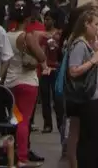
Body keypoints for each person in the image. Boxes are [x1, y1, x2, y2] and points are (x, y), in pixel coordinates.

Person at [63, 6, 98, 168]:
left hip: (92, 95)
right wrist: (91, 61)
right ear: (86, 25)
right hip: (85, 97)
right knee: (90, 137)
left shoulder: (89, 44)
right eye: (95, 24)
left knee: (96, 135)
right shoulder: (79, 44)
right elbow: (73, 71)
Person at [10, 10, 45, 168]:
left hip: (9, 83)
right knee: (24, 120)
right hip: (27, 82)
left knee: (13, 118)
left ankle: (9, 152)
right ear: (27, 19)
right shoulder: (27, 36)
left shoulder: (6, 35)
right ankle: (22, 157)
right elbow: (41, 56)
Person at [36, 12, 59, 141]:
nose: (46, 21)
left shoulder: (58, 34)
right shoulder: (42, 35)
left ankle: (60, 123)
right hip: (44, 68)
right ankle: (47, 124)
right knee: (45, 97)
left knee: (57, 97)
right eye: (45, 19)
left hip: (55, 68)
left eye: (49, 19)